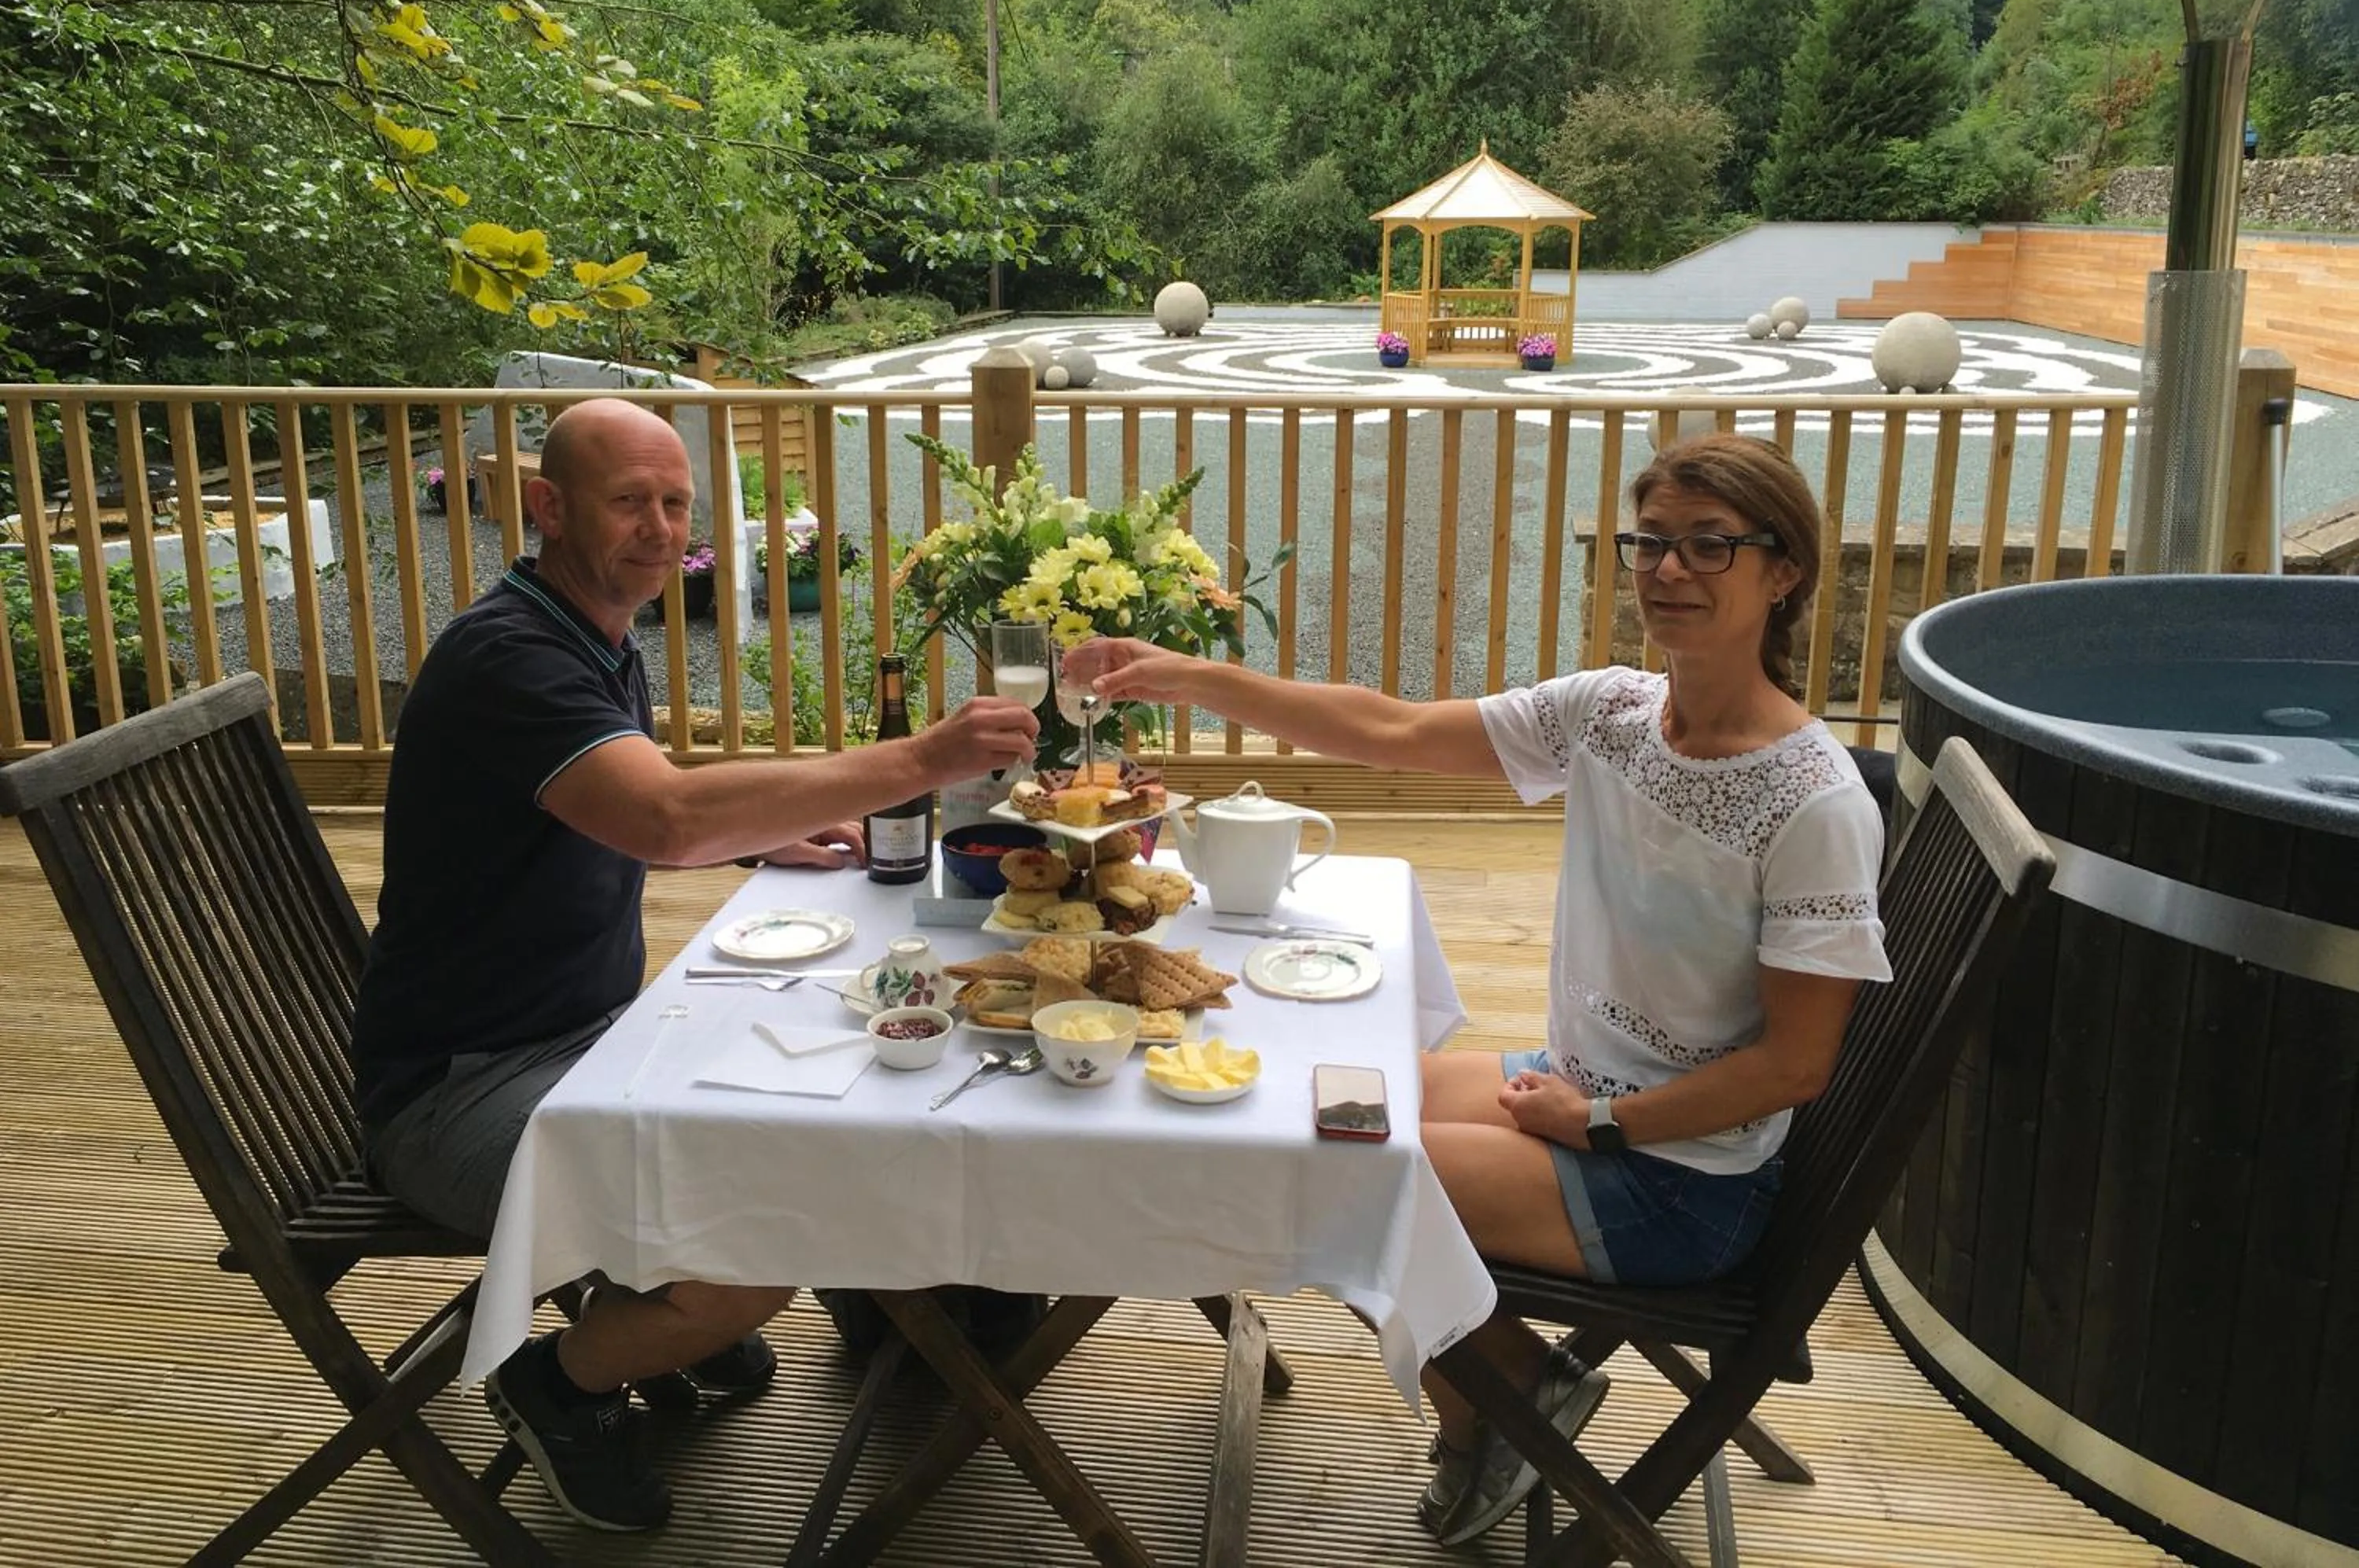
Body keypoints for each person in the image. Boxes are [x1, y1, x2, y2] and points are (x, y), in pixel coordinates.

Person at [1064, 433, 1890, 1545]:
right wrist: (1185, 673)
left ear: (1784, 572)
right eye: (1652, 543)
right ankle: (1509, 1385)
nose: (1668, 570)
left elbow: (1796, 1064)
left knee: (1344, 1172)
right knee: (1325, 1090)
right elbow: (1392, 727)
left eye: (1710, 546)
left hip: (1678, 1176)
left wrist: (1601, 1122)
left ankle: (1505, 1402)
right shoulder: (1614, 712)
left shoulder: (1813, 801)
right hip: (1582, 1092)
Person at [354, 398, 1036, 1533]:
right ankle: (557, 1381)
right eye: (630, 501)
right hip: (461, 1090)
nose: (660, 528)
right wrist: (920, 758)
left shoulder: (583, 636)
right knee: (777, 1212)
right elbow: (666, 819)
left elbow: (641, 800)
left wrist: (746, 831)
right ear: (546, 506)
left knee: (838, 1065)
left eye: (676, 504)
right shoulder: (509, 657)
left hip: (587, 1036)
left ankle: (682, 1308)